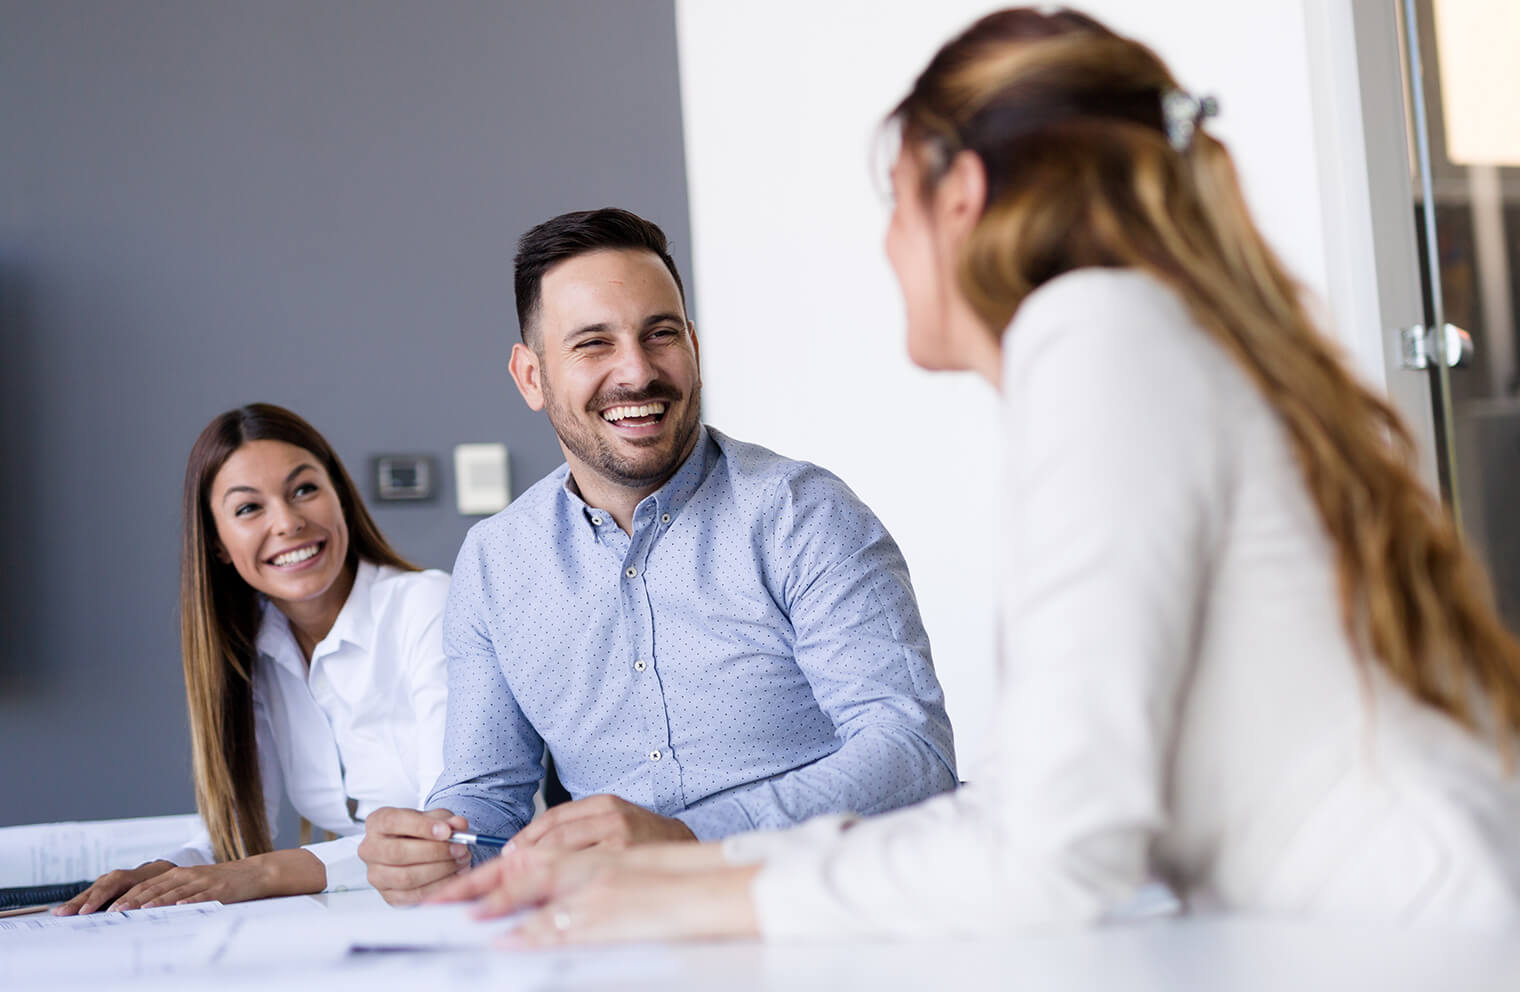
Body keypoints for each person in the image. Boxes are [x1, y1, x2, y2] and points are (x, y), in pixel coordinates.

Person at [430, 7, 1520, 941]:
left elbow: (1051, 853)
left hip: (1421, 937)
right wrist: (687, 873)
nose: (887, 247)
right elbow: (1025, 806)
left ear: (960, 194)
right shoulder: (1135, 337)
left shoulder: (1095, 342)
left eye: (892, 202)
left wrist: (693, 893)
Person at [358, 208, 958, 904]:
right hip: (623, 935)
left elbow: (913, 753)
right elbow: (484, 805)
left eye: (660, 334)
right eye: (593, 344)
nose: (637, 372)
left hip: (826, 910)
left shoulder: (804, 512)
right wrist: (434, 850)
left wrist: (691, 839)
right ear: (531, 376)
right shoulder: (494, 563)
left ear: (694, 346)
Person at [56, 404, 452, 914]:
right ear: (218, 544)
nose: (288, 523)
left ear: (341, 499)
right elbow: (233, 836)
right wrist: (166, 871)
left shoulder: (427, 604)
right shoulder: (253, 647)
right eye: (249, 509)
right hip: (376, 914)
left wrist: (262, 871)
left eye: (305, 489)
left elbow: (445, 833)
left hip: (485, 904)